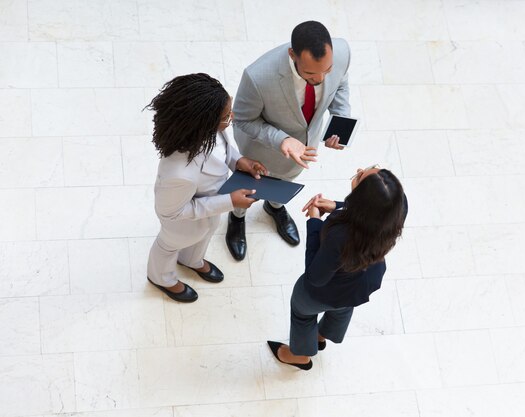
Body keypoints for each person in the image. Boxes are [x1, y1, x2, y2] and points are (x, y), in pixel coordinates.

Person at [226, 20, 352, 260]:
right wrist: (281, 139)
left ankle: (274, 207)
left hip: (304, 148)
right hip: (261, 149)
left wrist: (340, 120)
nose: (321, 79)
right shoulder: (258, 77)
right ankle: (237, 218)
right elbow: (242, 120)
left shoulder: (342, 52)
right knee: (248, 189)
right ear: (292, 54)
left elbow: (341, 83)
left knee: (284, 181)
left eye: (326, 70)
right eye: (311, 74)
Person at [267, 165, 408, 370]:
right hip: (362, 283)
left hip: (324, 290)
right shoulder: (398, 209)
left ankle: (300, 356)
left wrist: (315, 222)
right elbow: (376, 211)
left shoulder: (341, 235)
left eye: (360, 177)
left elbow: (315, 277)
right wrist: (337, 206)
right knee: (342, 308)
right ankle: (321, 336)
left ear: (361, 200)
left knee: (302, 312)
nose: (359, 170)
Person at [146, 73, 268, 303]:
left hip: (210, 209)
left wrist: (238, 161)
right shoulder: (178, 172)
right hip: (181, 223)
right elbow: (171, 212)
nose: (230, 118)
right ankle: (161, 277)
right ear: (203, 122)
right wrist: (230, 201)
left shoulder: (215, 129)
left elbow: (224, 151)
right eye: (226, 116)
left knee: (206, 232)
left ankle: (191, 260)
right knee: (169, 246)